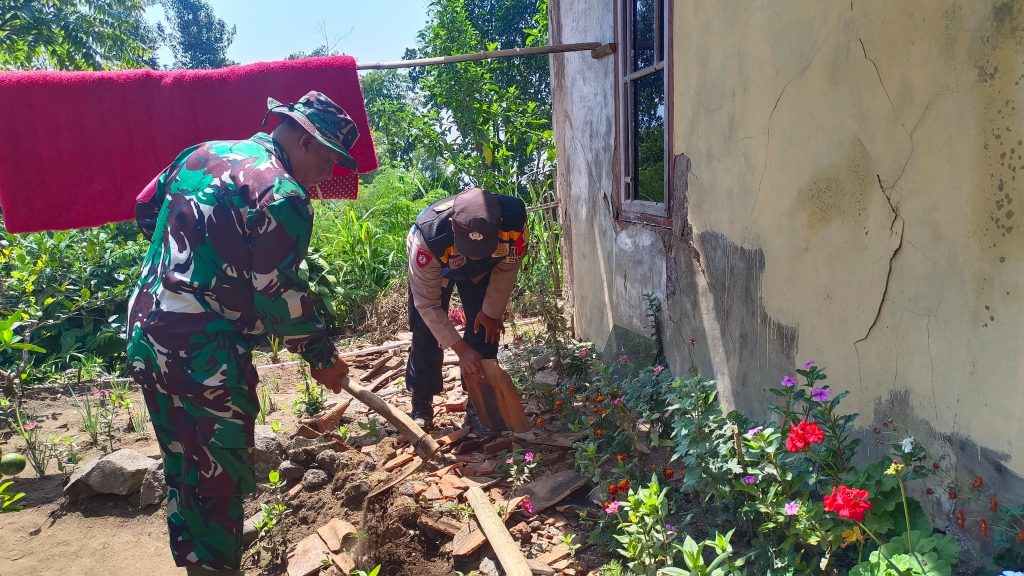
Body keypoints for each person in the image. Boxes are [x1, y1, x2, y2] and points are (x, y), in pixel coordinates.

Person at [125, 90, 358, 575]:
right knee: (216, 478)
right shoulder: (283, 193)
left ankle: (196, 565)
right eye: (331, 159)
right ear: (303, 140)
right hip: (203, 352)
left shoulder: (201, 153)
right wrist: (321, 356)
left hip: (147, 332)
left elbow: (145, 208)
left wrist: (192, 265)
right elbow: (278, 294)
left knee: (182, 464)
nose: (331, 174)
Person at [405, 186, 527, 432]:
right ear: (452, 226)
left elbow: (508, 267)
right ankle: (422, 403)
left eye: (481, 250)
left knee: (485, 329)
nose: (475, 257)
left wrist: (492, 312)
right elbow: (427, 304)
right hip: (440, 264)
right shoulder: (428, 239)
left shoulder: (514, 223)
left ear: (499, 225)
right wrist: (460, 350)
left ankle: (479, 405)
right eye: (471, 251)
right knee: (426, 332)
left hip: (488, 269)